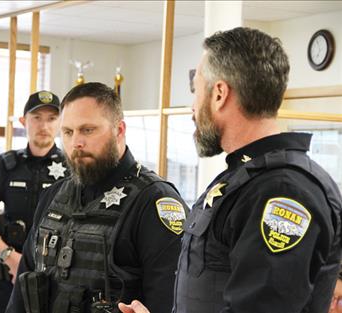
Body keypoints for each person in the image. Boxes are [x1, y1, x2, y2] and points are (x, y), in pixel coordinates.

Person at [119, 27, 342, 313]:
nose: (192, 108)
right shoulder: (246, 179)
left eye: (196, 92)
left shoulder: (282, 190)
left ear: (220, 94)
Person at [6, 82, 188, 313]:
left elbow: (170, 301)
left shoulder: (154, 201)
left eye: (88, 130)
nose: (76, 143)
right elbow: (22, 294)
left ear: (119, 130)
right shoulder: (54, 196)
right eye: (68, 132)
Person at [0, 91, 68, 313]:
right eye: (37, 118)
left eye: (52, 118)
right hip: (8, 276)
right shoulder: (7, 165)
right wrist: (10, 258)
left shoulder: (71, 169)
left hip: (53, 279)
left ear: (60, 123)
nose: (44, 125)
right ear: (24, 122)